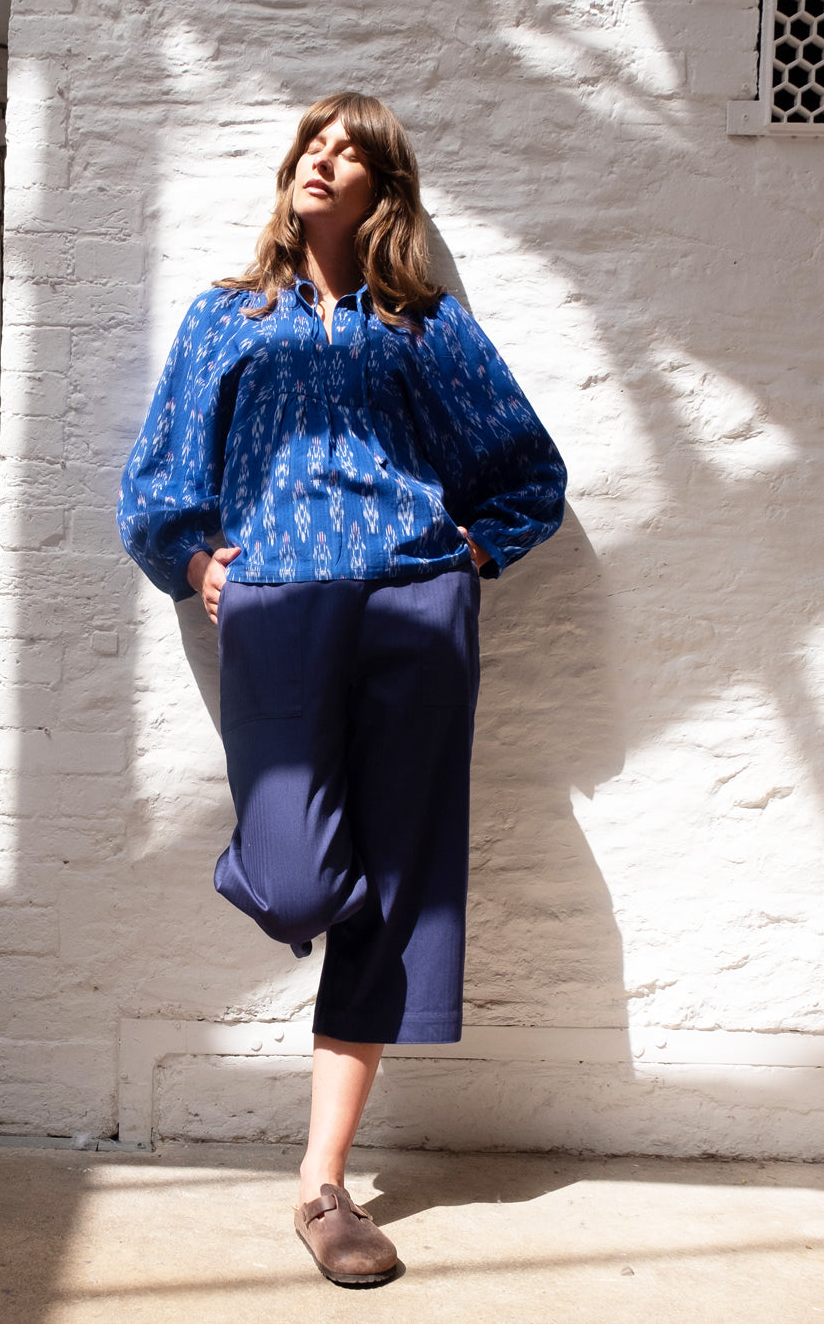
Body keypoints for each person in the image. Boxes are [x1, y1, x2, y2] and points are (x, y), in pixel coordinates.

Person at [118, 91, 566, 1287]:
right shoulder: (226, 315)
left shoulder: (426, 324)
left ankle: (324, 1186)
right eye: (312, 147)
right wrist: (196, 563)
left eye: (350, 152)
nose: (324, 162)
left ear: (383, 188)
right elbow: (159, 474)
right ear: (291, 171)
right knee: (299, 875)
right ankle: (296, 886)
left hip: (415, 603)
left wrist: (470, 556)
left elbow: (528, 469)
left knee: (398, 882)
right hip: (276, 601)